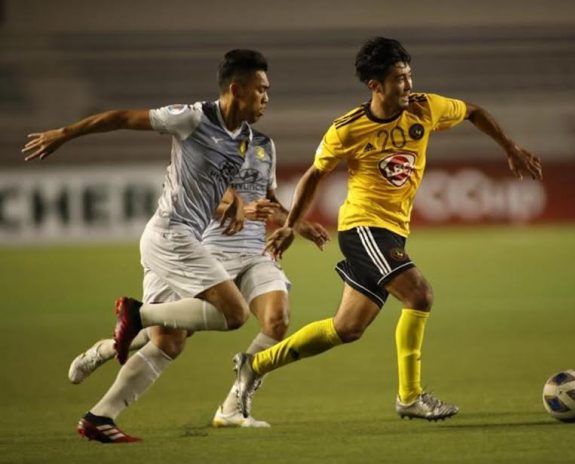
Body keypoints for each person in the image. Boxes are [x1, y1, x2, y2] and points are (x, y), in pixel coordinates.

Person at [232, 37, 543, 422]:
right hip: (364, 226)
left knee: (346, 328)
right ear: (375, 85)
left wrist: (509, 147)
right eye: (399, 78)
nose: (408, 85)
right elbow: (315, 175)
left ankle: (254, 365)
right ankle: (410, 397)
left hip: (393, 231)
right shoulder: (347, 129)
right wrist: (291, 225)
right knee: (420, 295)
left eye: (409, 76)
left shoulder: (425, 108)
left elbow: (473, 112)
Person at [23, 49, 327, 442]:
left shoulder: (248, 139)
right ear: (236, 89)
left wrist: (241, 203)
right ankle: (138, 313)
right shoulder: (192, 117)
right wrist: (64, 134)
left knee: (167, 342)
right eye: (261, 90)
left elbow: (223, 185)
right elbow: (120, 118)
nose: (267, 97)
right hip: (172, 235)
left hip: (181, 238)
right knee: (233, 315)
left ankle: (99, 417)